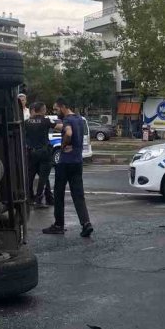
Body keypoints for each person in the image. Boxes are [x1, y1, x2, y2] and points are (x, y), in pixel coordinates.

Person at [43, 98, 93, 237]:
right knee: (78, 195)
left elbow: (69, 133)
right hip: (77, 162)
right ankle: (86, 223)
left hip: (65, 163)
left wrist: (64, 144)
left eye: (56, 109)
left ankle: (59, 224)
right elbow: (62, 127)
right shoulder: (78, 119)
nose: (55, 112)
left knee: (58, 194)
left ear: (63, 107)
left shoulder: (67, 121)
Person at [24, 102, 57, 209]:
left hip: (31, 152)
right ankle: (39, 199)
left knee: (30, 176)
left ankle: (32, 198)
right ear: (42, 110)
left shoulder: (26, 122)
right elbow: (60, 127)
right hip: (44, 153)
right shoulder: (45, 120)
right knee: (43, 177)